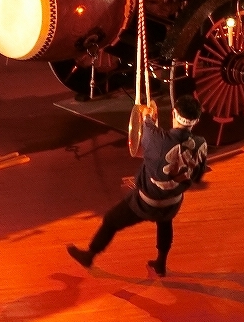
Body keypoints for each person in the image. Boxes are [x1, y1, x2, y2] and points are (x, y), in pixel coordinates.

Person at [66, 94, 207, 276]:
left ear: (174, 113)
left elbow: (145, 126)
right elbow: (198, 176)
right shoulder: (201, 144)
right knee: (165, 222)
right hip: (173, 201)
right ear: (196, 121)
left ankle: (90, 255)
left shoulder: (157, 139)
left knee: (111, 220)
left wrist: (148, 115)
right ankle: (161, 263)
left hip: (147, 202)